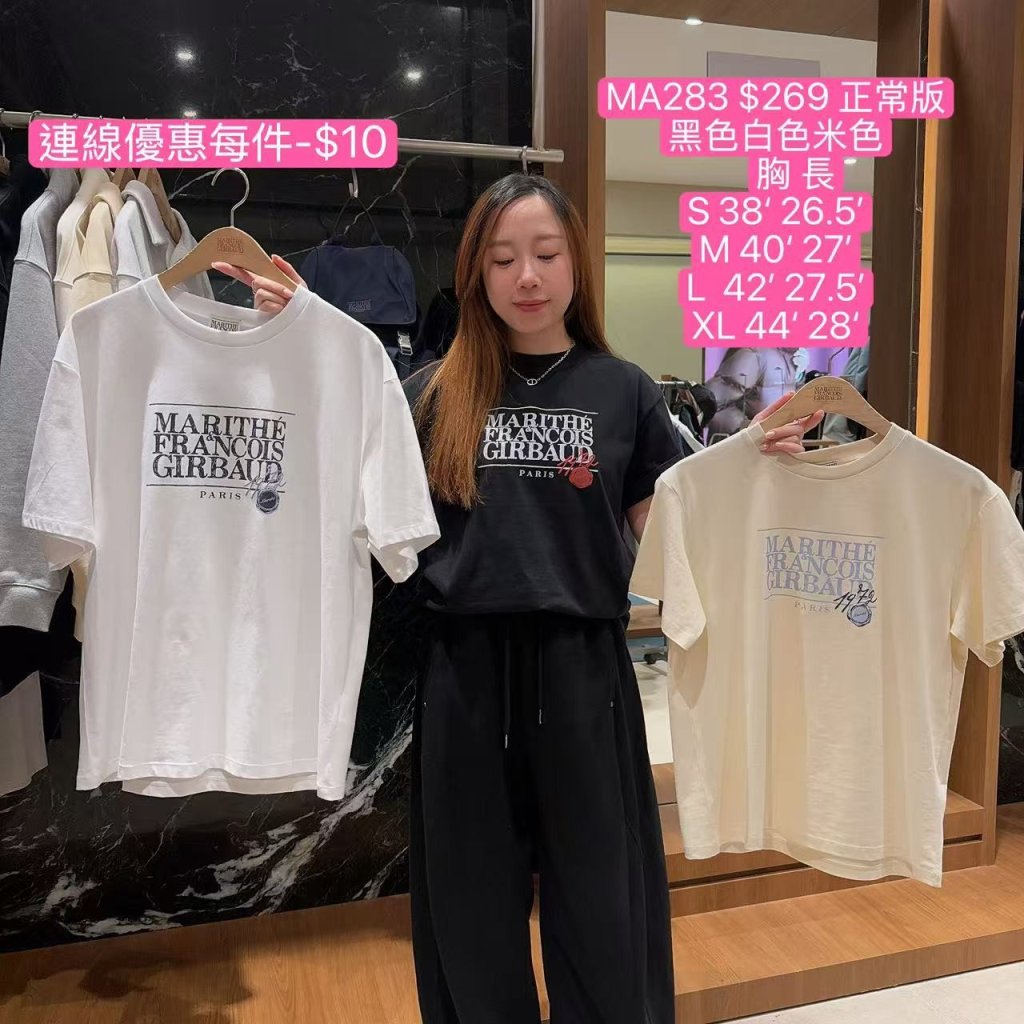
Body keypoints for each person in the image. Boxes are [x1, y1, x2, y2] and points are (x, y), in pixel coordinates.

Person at [217, 174, 820, 1024]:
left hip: (585, 673)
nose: (526, 276)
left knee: (605, 905)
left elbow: (667, 526)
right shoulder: (432, 391)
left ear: (576, 265)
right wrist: (308, 339)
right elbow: (347, 469)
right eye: (502, 259)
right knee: (470, 912)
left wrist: (749, 463)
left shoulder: (624, 389)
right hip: (464, 674)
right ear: (476, 272)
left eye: (545, 254)